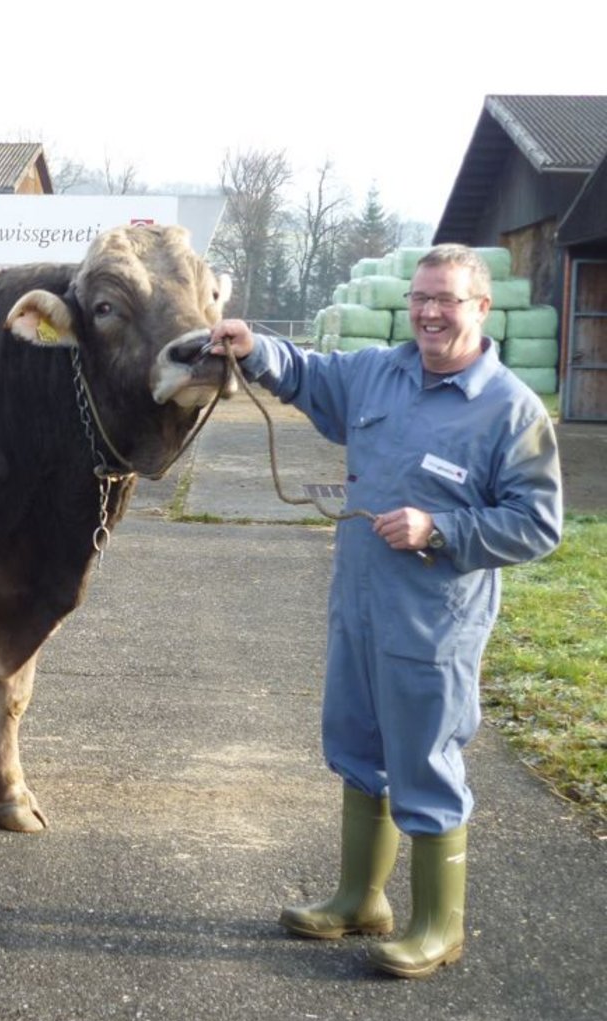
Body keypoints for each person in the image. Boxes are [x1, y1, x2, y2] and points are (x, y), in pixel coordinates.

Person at [209, 244, 563, 978]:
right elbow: (308, 373)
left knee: (425, 759)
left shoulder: (510, 410)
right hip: (359, 603)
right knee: (358, 745)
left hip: (434, 621)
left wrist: (443, 529)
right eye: (422, 298)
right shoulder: (380, 373)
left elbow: (538, 524)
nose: (431, 312)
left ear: (482, 309)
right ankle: (359, 900)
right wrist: (256, 345)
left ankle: (440, 927)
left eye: (448, 300)